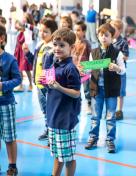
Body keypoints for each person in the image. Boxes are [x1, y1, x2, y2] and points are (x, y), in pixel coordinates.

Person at [40, 28, 81, 176]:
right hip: (53, 118)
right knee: (58, 155)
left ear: (72, 47)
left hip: (65, 120)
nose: (57, 48)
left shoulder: (70, 68)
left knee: (69, 157)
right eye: (55, 44)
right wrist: (45, 80)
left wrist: (59, 87)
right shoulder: (54, 64)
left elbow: (76, 93)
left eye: (62, 45)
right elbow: (48, 85)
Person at [84, 23, 125, 153]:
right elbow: (89, 68)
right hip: (96, 90)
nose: (103, 37)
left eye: (106, 35)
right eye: (101, 35)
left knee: (110, 117)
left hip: (111, 90)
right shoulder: (94, 52)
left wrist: (117, 68)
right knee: (95, 116)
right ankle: (93, 138)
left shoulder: (117, 53)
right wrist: (84, 69)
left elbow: (123, 70)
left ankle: (110, 140)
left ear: (112, 37)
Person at [23, 18, 58, 141]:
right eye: (41, 31)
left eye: (46, 31)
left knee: (50, 109)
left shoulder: (53, 48)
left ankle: (53, 133)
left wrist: (48, 83)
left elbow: (52, 68)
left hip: (47, 85)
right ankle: (48, 129)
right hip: (39, 83)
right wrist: (27, 54)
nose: (42, 33)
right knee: (44, 109)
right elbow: (35, 63)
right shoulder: (41, 45)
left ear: (53, 33)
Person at [0, 24, 22, 176]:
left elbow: (18, 79)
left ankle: (12, 166)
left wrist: (3, 85)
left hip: (6, 104)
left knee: (9, 137)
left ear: (1, 39)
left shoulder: (9, 59)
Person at [110, 19, 129, 120]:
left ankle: (119, 110)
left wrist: (117, 56)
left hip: (120, 71)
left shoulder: (123, 42)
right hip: (110, 71)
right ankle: (111, 110)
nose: (112, 31)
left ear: (120, 31)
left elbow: (126, 56)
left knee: (120, 92)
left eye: (115, 29)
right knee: (111, 91)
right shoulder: (108, 41)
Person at [72, 21, 92, 115]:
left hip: (84, 71)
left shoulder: (87, 44)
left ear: (84, 32)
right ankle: (77, 105)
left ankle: (89, 104)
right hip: (74, 71)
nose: (76, 32)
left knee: (86, 89)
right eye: (75, 30)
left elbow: (91, 56)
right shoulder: (72, 43)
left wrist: (89, 68)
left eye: (79, 30)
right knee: (76, 89)